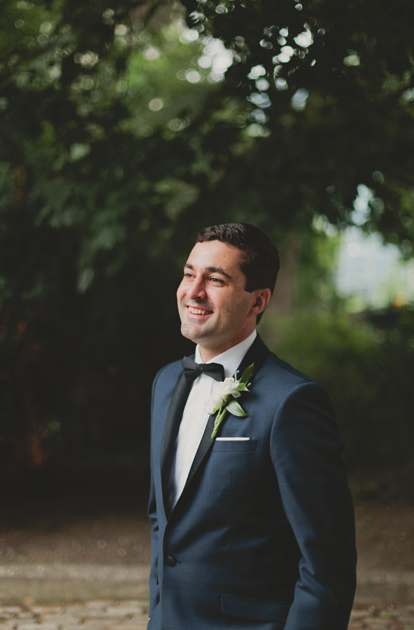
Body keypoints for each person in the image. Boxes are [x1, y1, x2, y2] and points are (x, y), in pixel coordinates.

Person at [147, 223, 356, 629]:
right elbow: (163, 521)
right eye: (190, 273)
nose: (194, 291)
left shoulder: (292, 402)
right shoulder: (166, 382)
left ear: (258, 300)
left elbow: (327, 562)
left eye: (216, 279)